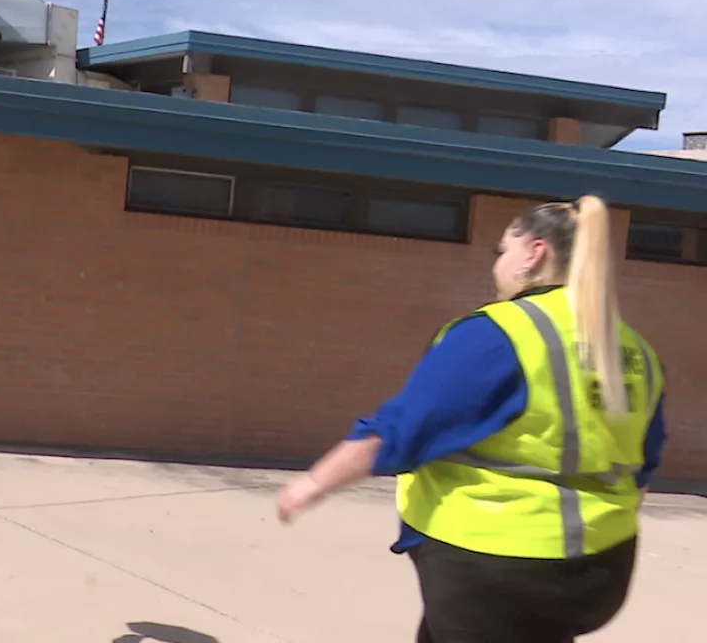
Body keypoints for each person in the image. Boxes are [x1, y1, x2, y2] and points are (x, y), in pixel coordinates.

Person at [275, 195, 668, 643]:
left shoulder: (500, 333)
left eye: (502, 250)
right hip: (600, 568)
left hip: (495, 565)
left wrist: (314, 483)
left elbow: (403, 428)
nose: (497, 263)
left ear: (534, 253)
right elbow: (643, 468)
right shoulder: (634, 349)